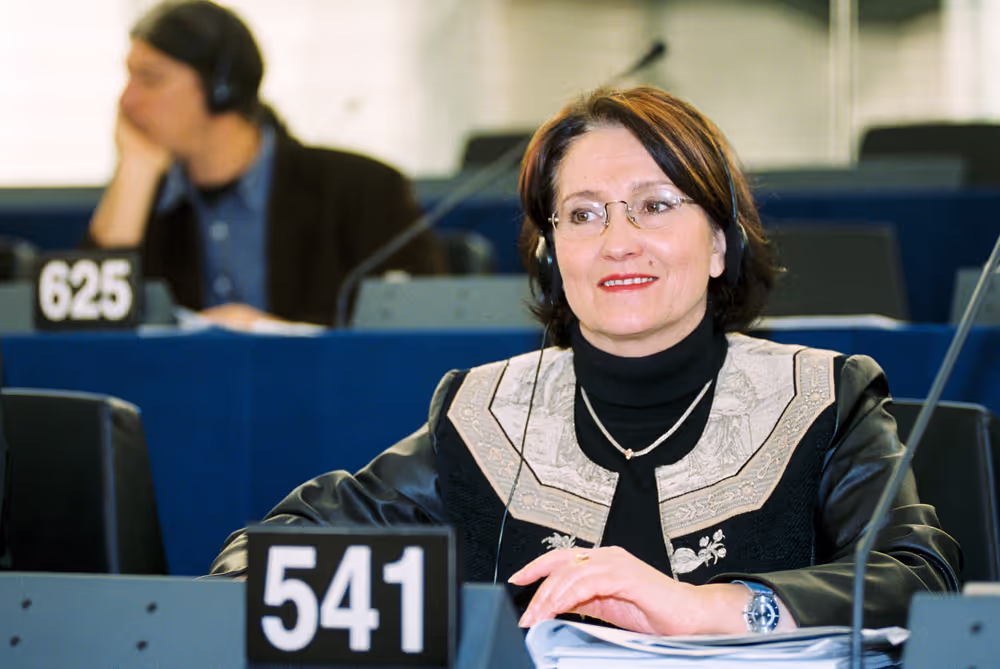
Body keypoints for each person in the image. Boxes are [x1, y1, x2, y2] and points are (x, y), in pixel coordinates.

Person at [210, 86, 960, 634]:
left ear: (720, 243)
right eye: (583, 213)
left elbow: (916, 575)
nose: (618, 241)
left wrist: (705, 607)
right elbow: (284, 544)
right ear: (550, 257)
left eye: (655, 205)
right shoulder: (483, 414)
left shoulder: (824, 397)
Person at [86, 0, 445, 328]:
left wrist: (271, 333)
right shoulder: (142, 204)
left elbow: (422, 323)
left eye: (150, 79)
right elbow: (83, 335)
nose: (127, 101)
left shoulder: (363, 189)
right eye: (129, 77)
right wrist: (134, 170)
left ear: (221, 88)